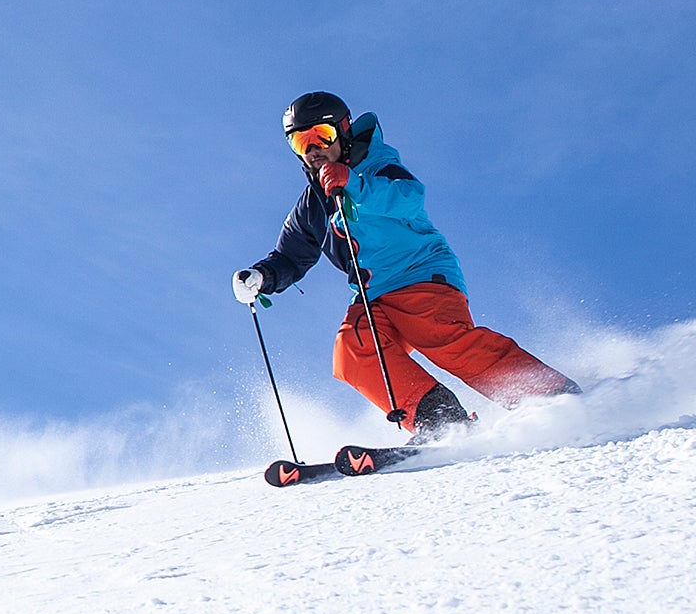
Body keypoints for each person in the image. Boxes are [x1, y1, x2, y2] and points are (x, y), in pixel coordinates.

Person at [233, 92, 576, 441]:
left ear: (344, 131)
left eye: (321, 136)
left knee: (442, 340)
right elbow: (291, 255)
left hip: (420, 275)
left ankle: (548, 394)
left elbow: (409, 199)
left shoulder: (377, 166)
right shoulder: (312, 206)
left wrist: (354, 184)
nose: (313, 149)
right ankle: (440, 420)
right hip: (372, 295)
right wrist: (262, 276)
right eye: (300, 142)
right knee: (353, 351)